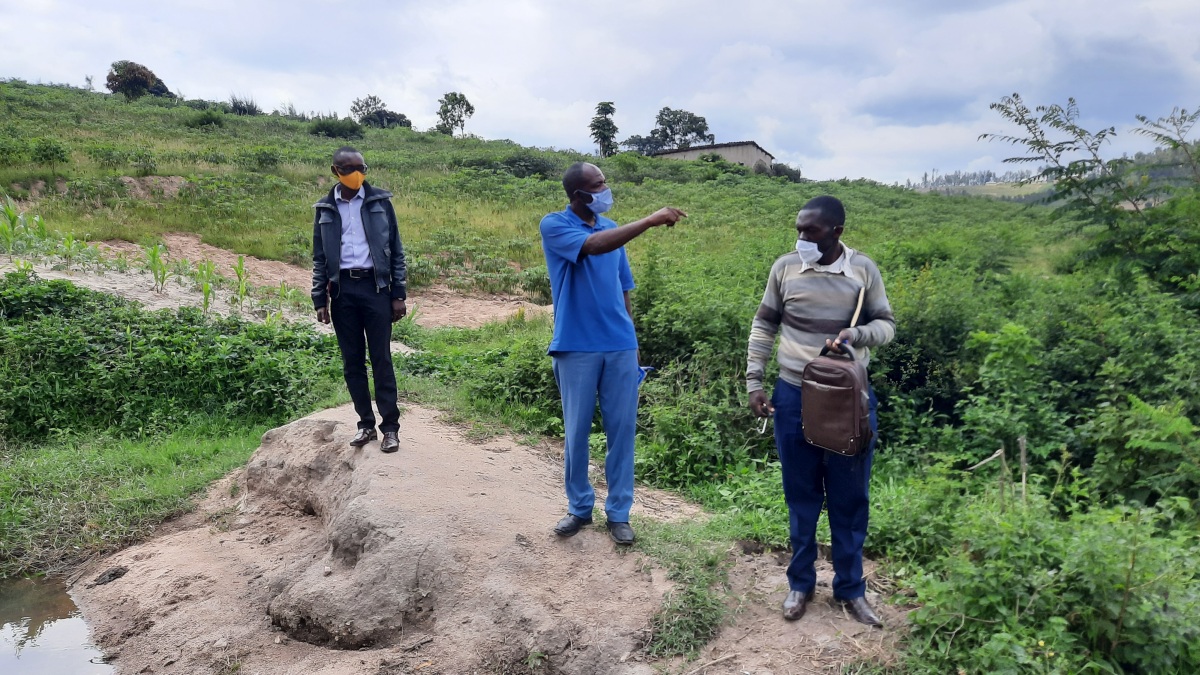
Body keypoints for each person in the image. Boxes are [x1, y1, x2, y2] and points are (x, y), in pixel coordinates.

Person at [746, 195, 895, 626]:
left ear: (836, 232)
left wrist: (857, 333)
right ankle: (800, 584)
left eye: (810, 231)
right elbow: (764, 324)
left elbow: (886, 325)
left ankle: (851, 590)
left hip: (848, 402)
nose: (801, 238)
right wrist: (755, 382)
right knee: (801, 494)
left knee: (850, 499)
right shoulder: (785, 267)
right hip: (793, 394)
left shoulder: (862, 271)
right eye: (798, 229)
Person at [539, 162, 685, 545]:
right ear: (578, 195)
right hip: (575, 345)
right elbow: (591, 248)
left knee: (622, 432)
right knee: (576, 432)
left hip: (619, 346)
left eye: (604, 182)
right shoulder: (556, 226)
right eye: (597, 185)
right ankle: (579, 507)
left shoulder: (612, 229)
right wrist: (650, 221)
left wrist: (632, 344)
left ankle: (619, 513)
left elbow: (624, 291)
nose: (605, 189)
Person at [311, 146, 408, 454]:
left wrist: (398, 294)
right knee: (352, 362)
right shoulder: (325, 209)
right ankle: (365, 425)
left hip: (375, 289)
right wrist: (319, 299)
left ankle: (390, 428)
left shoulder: (380, 202)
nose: (357, 174)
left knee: (381, 358)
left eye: (361, 168)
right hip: (342, 293)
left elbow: (397, 250)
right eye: (349, 169)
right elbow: (319, 257)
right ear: (335, 171)